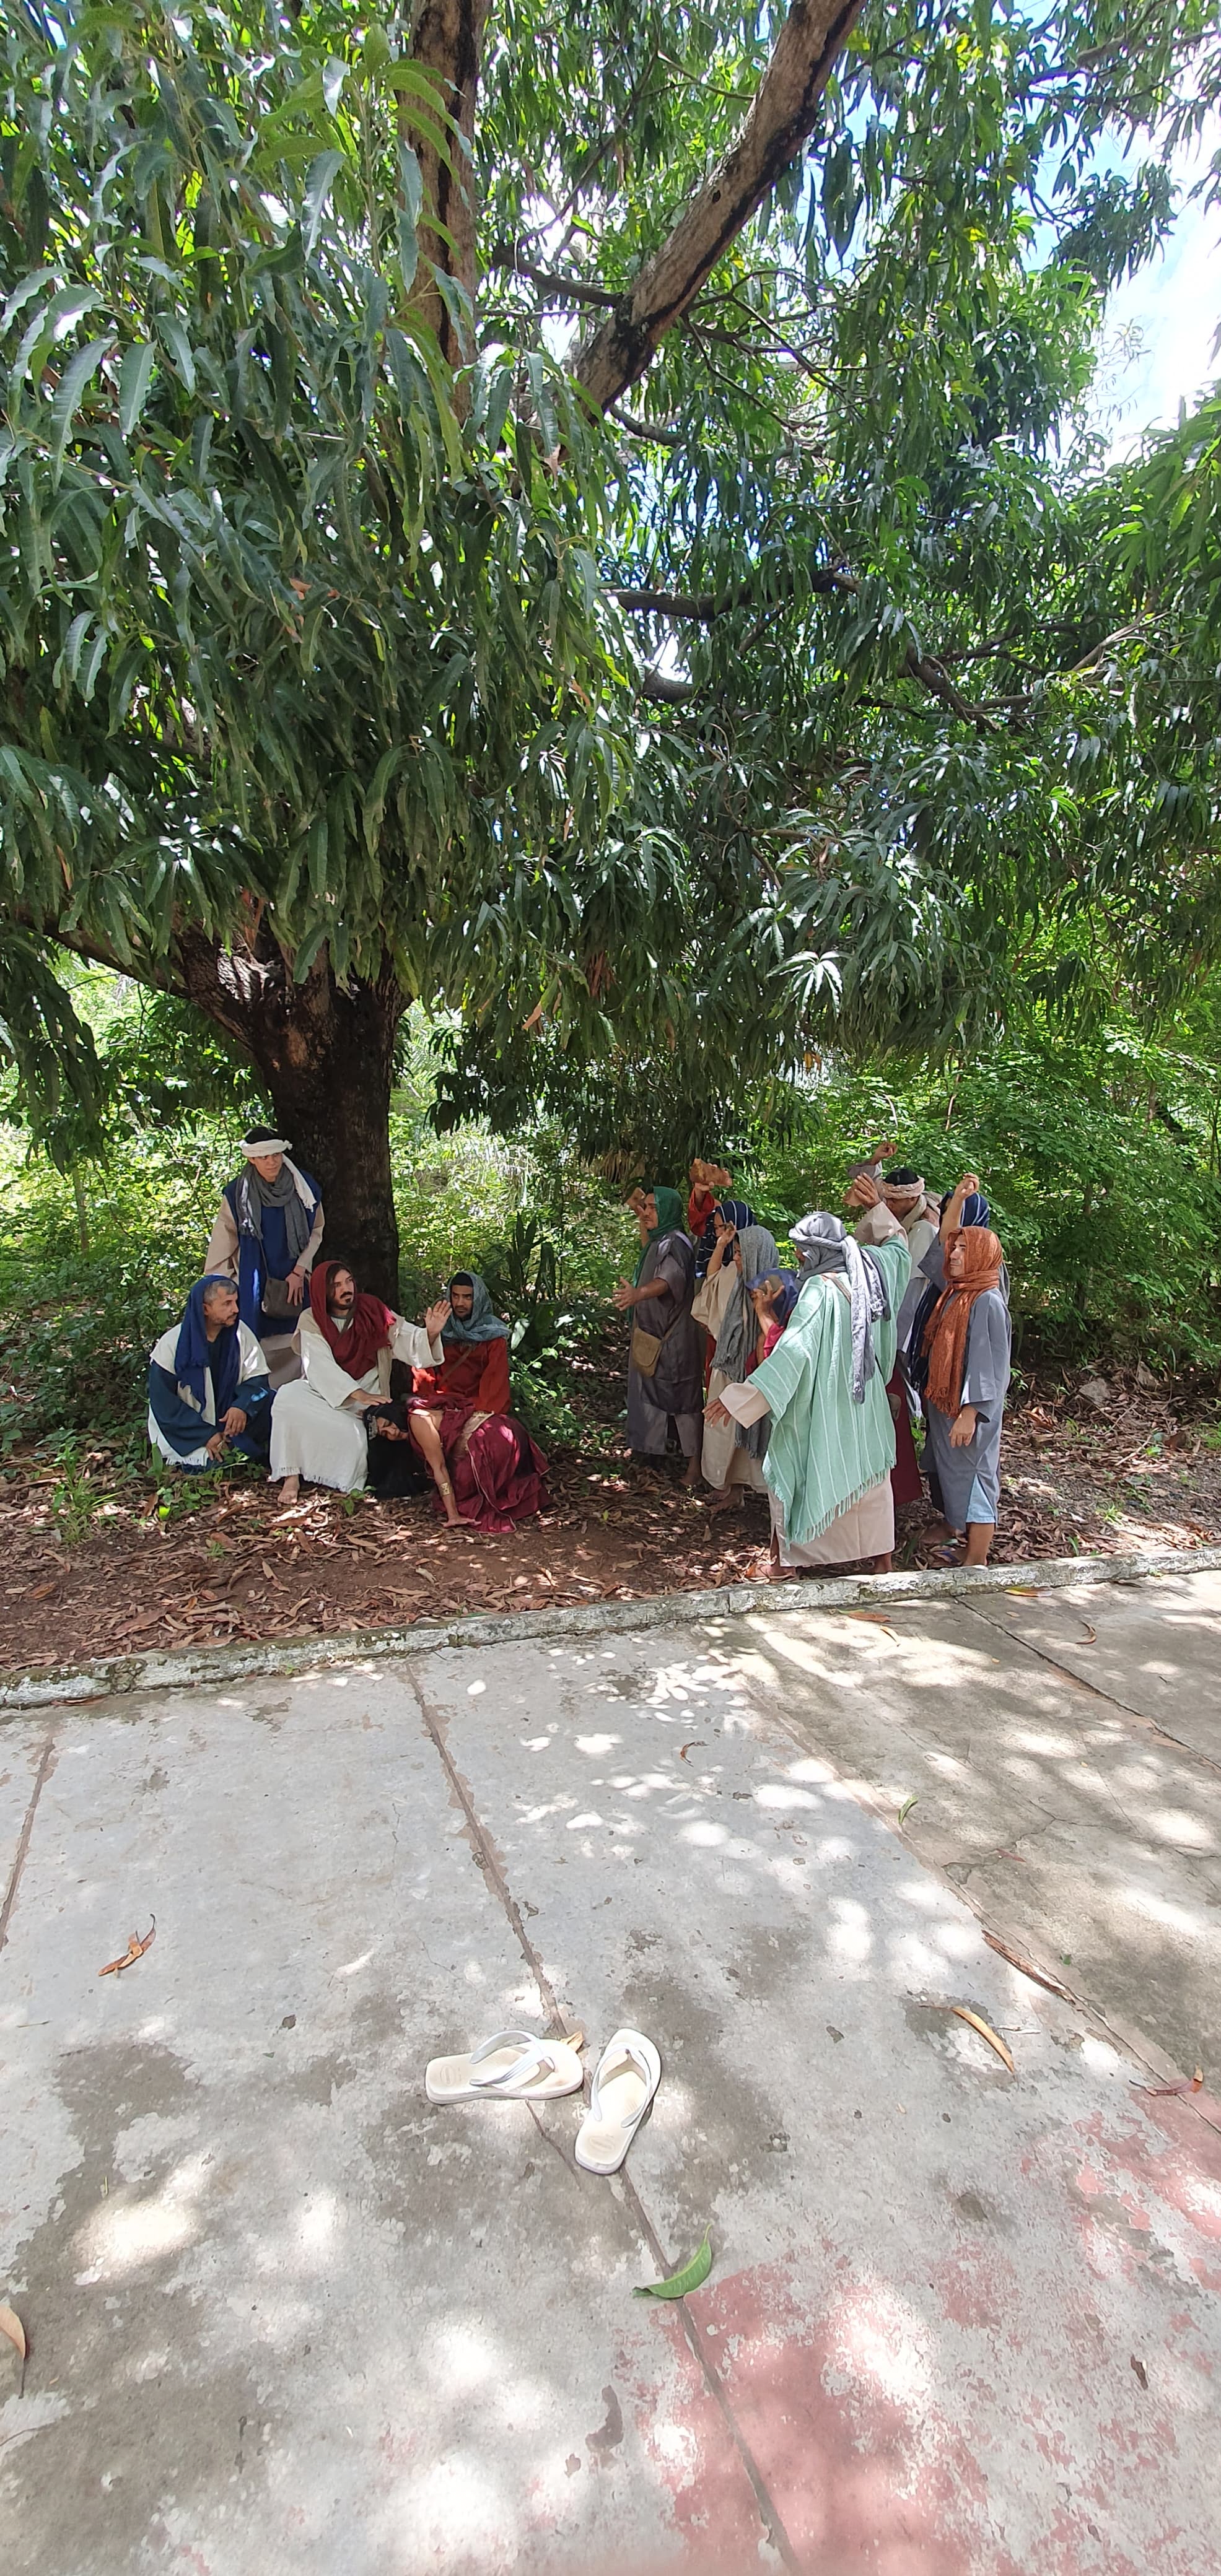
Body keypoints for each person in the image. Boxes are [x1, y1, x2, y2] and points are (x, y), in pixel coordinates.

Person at [708, 1176, 910, 1577]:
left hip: (823, 1404)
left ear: (815, 1253)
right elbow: (899, 1250)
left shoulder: (818, 1291)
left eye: (801, 1250)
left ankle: (783, 1564)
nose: (798, 1258)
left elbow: (792, 1354)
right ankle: (881, 1561)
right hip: (865, 1403)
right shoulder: (869, 1273)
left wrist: (738, 1399)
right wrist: (877, 1210)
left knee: (798, 1467)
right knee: (868, 1478)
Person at [269, 1261, 449, 1505]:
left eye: (348, 1281)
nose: (346, 1289)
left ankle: (344, 1479)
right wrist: (357, 1393)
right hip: (327, 1395)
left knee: (356, 1441)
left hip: (367, 1403)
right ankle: (292, 1476)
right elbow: (319, 1366)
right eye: (336, 1286)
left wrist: (431, 1333)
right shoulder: (312, 1318)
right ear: (323, 1292)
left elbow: (405, 1338)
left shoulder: (373, 1310)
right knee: (287, 1397)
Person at [406, 1272, 548, 1532]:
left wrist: (473, 1418)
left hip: (481, 1411)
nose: (460, 1303)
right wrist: (430, 1337)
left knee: (490, 1442)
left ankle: (491, 1500)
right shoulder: (439, 1332)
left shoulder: (493, 1337)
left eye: (467, 1297)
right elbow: (424, 1381)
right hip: (444, 1408)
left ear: (478, 1299)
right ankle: (455, 1506)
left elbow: (495, 1388)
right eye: (455, 1296)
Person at [919, 1201, 1012, 1567]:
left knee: (977, 1477)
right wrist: (957, 1199)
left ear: (982, 1257)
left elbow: (990, 1365)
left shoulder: (987, 1300)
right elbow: (942, 1240)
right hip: (951, 1405)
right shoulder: (958, 1291)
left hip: (971, 1411)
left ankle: (976, 1559)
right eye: (954, 1248)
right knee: (957, 1475)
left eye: (963, 1249)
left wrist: (970, 1413)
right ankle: (966, 1546)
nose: (954, 1254)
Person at [204, 1128, 325, 1388]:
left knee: (299, 1341)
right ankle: (258, 1399)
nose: (272, 1162)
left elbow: (317, 1231)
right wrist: (229, 1288)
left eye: (276, 1155)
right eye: (264, 1157)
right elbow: (223, 1245)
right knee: (254, 1345)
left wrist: (300, 1270)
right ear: (252, 1159)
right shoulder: (237, 1194)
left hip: (295, 1281)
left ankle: (296, 1398)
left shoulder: (303, 1187)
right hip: (254, 1285)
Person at [613, 1186, 704, 1486]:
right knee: (652, 1392)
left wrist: (638, 1294)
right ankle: (652, 1452)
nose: (647, 1212)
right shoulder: (661, 1239)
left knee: (683, 1400)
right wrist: (639, 1215)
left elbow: (668, 1279)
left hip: (675, 1341)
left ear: (668, 1210)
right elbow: (650, 1253)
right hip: (655, 1337)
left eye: (654, 1208)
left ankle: (694, 1468)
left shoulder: (675, 1243)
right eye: (646, 1207)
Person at [693, 1219, 780, 1510]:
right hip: (729, 1369)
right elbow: (711, 1283)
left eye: (742, 1253)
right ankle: (731, 1490)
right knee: (724, 1432)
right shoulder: (733, 1277)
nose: (737, 1258)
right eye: (736, 1251)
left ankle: (768, 1501)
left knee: (754, 1434)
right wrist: (721, 1245)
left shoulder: (777, 1287)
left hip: (759, 1375)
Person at [147, 1276, 273, 1474]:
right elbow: (164, 1403)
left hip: (232, 1421)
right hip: (191, 1431)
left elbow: (258, 1378)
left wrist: (242, 1406)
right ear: (205, 1309)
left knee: (277, 1403)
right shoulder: (172, 1345)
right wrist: (206, 1435)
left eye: (236, 1302)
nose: (236, 1309)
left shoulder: (241, 1333)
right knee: (224, 1467)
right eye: (227, 1304)